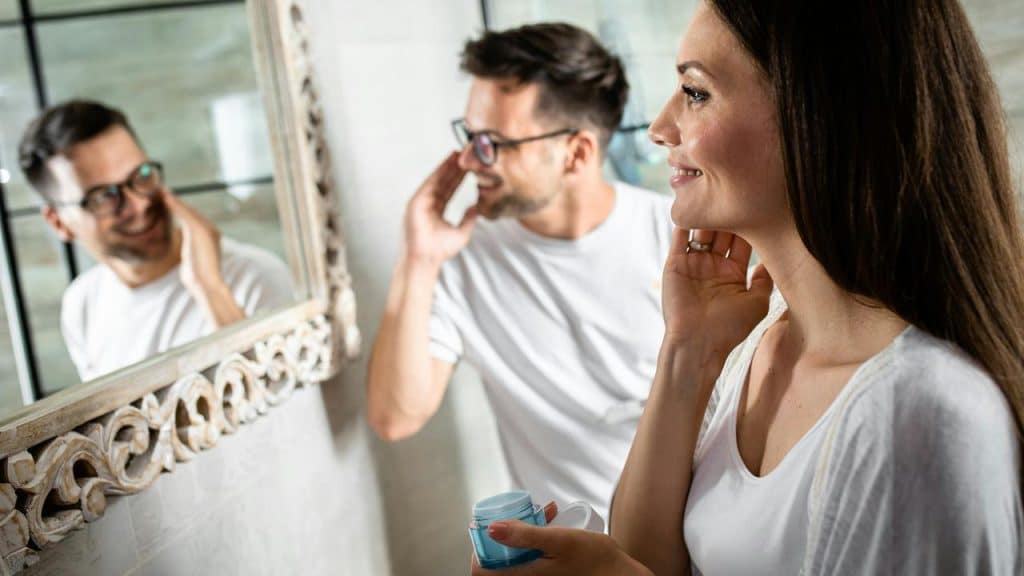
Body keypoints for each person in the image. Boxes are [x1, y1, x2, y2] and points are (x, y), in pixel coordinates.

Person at [472, 1, 1024, 574]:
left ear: (819, 113)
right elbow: (641, 558)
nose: (660, 129)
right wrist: (688, 350)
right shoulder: (761, 345)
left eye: (695, 92)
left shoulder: (920, 415)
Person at [367, 23, 674, 521]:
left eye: (493, 143)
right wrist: (418, 259)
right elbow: (394, 417)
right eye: (470, 136)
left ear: (576, 153)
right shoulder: (462, 262)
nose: (471, 160)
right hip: (567, 558)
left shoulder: (674, 240)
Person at [18, 100, 294, 381]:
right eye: (103, 196)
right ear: (58, 222)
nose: (137, 205)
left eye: (142, 175)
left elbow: (286, 414)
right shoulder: (82, 304)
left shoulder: (256, 279)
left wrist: (211, 290)